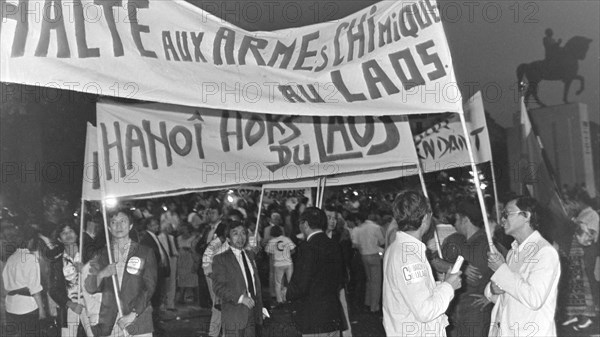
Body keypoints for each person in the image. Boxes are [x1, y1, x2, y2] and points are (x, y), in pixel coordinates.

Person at [382, 190, 462, 337]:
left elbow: (413, 292)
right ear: (426, 218)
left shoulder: (399, 248)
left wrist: (443, 283)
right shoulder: (409, 257)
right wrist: (449, 287)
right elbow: (425, 310)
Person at [486, 196, 561, 337]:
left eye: (506, 214)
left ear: (526, 216)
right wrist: (493, 289)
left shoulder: (544, 252)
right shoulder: (512, 252)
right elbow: (509, 297)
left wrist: (501, 270)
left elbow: (534, 299)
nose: (502, 220)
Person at [85, 209, 157, 337]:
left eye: (123, 221)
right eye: (114, 222)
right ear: (109, 227)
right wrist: (102, 274)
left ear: (130, 226)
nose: (118, 226)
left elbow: (149, 287)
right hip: (110, 321)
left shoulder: (145, 252)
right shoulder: (102, 254)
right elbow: (90, 287)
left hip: (139, 318)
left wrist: (133, 314)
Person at [442, 199, 499, 337]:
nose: (454, 224)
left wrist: (491, 296)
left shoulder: (489, 245)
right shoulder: (453, 241)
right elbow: (435, 261)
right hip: (454, 312)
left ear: (465, 219)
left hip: (476, 314)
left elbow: (505, 271)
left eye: (456, 219)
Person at [285, 207, 344, 337]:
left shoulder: (307, 247)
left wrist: (287, 292)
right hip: (332, 312)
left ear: (305, 224)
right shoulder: (334, 244)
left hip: (314, 315)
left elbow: (301, 283)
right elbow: (343, 278)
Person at [212, 221, 264, 337]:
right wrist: (240, 298)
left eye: (243, 233)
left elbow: (255, 284)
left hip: (252, 312)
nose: (240, 237)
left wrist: (260, 308)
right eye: (235, 234)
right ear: (228, 239)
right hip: (234, 314)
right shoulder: (221, 259)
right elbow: (218, 287)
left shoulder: (250, 255)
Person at [2, 224, 47, 337]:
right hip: (27, 307)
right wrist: (42, 310)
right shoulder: (31, 259)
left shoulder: (11, 258)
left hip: (11, 306)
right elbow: (35, 288)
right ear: (31, 241)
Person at [48, 223, 87, 336]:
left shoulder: (88, 256)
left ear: (76, 234)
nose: (68, 235)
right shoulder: (56, 262)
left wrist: (85, 270)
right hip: (70, 307)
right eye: (64, 233)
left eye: (70, 231)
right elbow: (53, 289)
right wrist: (70, 304)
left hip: (90, 305)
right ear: (59, 239)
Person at [137, 217, 170, 336]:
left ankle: (157, 325)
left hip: (159, 272)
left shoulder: (154, 237)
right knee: (155, 300)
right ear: (148, 226)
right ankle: (155, 327)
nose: (156, 226)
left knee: (158, 299)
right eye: (153, 224)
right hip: (154, 273)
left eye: (157, 224)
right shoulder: (146, 238)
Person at [350, 210, 384, 313]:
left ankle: (367, 302)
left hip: (363, 255)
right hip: (374, 255)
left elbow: (355, 243)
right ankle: (374, 306)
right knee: (376, 282)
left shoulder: (359, 229)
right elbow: (382, 241)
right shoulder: (375, 227)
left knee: (369, 280)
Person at [202, 222, 229, 337]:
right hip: (214, 279)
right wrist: (212, 275)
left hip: (224, 279)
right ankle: (214, 333)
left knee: (223, 306)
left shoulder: (227, 243)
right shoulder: (214, 244)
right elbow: (205, 262)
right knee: (218, 307)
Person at [265, 225, 295, 306]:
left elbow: (269, 253)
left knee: (278, 283)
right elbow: (293, 250)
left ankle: (280, 300)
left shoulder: (272, 241)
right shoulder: (286, 239)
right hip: (288, 263)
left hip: (278, 264)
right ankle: (291, 298)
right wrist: (287, 254)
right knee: (290, 282)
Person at [176, 223, 200, 304]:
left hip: (190, 260)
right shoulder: (178, 238)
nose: (183, 231)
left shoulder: (194, 238)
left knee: (193, 279)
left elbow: (196, 249)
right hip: (181, 261)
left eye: (185, 229)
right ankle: (181, 298)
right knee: (182, 279)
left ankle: (197, 298)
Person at [158, 222, 178, 312]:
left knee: (172, 282)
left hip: (173, 259)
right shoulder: (159, 237)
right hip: (165, 260)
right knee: (165, 282)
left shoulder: (171, 238)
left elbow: (174, 249)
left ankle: (171, 304)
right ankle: (163, 303)